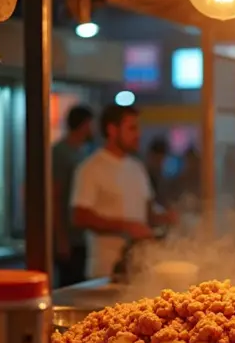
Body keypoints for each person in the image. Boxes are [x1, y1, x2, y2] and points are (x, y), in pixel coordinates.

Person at [71, 105, 177, 279]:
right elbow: (80, 216)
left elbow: (147, 213)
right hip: (105, 272)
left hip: (139, 269)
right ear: (112, 130)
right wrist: (126, 226)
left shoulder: (137, 167)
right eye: (132, 128)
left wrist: (165, 217)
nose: (138, 134)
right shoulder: (91, 168)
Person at [52, 105, 94, 287]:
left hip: (82, 236)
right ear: (84, 125)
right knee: (69, 284)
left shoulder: (83, 152)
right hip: (68, 235)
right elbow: (55, 196)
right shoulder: (60, 153)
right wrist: (61, 238)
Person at [145, 137, 172, 210]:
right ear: (150, 156)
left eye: (162, 159)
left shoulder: (162, 179)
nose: (160, 163)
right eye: (157, 159)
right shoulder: (143, 177)